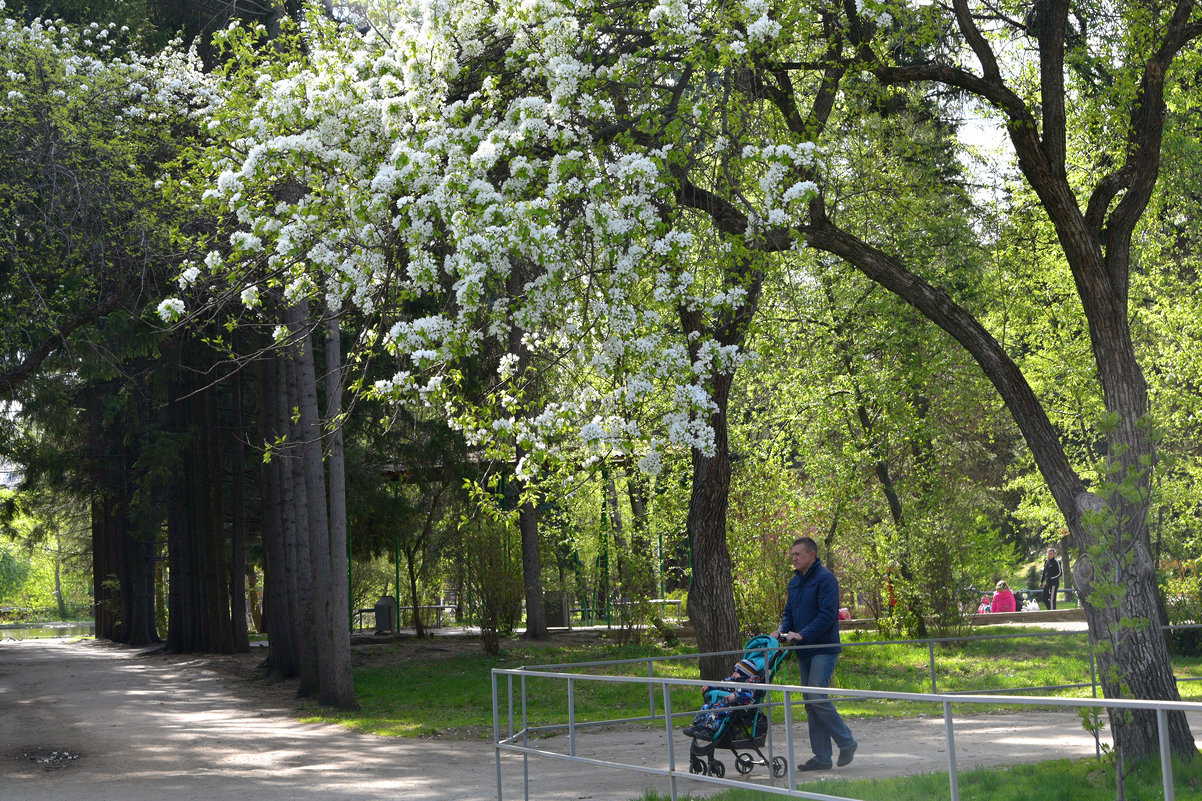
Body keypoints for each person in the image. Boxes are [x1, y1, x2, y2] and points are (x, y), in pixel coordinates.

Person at [773, 537, 857, 772]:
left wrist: (802, 634)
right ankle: (821, 756)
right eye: (793, 555)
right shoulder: (794, 582)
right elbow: (789, 612)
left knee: (816, 696)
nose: (794, 558)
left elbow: (828, 615)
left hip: (824, 648)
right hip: (805, 650)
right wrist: (782, 630)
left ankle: (847, 741)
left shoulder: (826, 579)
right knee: (811, 703)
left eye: (798, 554)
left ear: (812, 555)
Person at [682, 655, 763, 739]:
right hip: (724, 702)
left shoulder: (749, 685)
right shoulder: (732, 680)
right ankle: (698, 726)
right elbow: (721, 684)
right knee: (707, 706)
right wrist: (710, 687)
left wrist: (735, 696)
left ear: (745, 674)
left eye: (737, 672)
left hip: (736, 706)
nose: (734, 673)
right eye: (734, 671)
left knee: (717, 710)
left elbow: (748, 696)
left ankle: (708, 731)